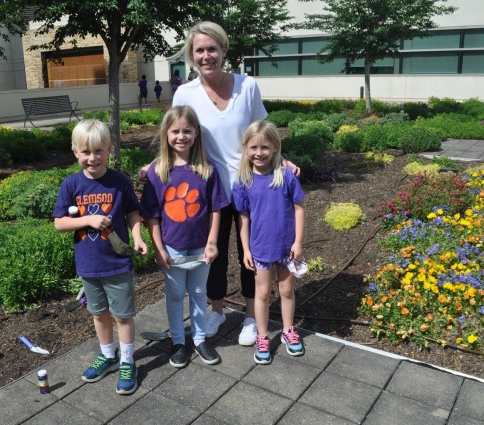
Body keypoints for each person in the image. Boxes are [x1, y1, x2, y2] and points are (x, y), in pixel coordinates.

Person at [169, 21, 299, 346]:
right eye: (199, 50)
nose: (206, 55)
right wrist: (157, 168)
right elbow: (176, 138)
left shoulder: (247, 86)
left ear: (224, 50)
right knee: (212, 255)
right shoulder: (184, 93)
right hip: (207, 189)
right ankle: (216, 310)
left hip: (251, 186)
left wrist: (281, 160)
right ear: (191, 54)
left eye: (212, 49)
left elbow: (263, 132)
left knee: (251, 253)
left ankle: (252, 317)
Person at [53, 119, 148, 395]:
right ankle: (108, 355)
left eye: (98, 151)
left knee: (123, 316)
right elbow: (60, 223)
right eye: (85, 152)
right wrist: (89, 219)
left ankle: (128, 361)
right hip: (89, 263)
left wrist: (139, 237)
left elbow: (133, 211)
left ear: (109, 149)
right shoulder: (71, 185)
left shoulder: (119, 181)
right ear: (75, 152)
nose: (92, 158)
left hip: (117, 262)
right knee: (99, 314)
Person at [140, 106, 229, 368]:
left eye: (187, 131)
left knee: (200, 293)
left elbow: (215, 209)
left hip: (201, 247)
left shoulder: (206, 169)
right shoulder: (158, 171)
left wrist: (212, 242)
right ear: (166, 134)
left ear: (196, 133)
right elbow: (152, 215)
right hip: (172, 247)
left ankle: (200, 339)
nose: (181, 136)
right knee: (176, 295)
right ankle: (178, 342)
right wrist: (159, 248)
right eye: (175, 131)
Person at [232, 120, 306, 364]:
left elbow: (299, 209)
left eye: (265, 147)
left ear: (276, 147)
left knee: (286, 289)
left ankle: (288, 330)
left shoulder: (285, 176)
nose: (259, 153)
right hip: (260, 248)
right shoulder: (242, 181)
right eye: (253, 147)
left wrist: (298, 242)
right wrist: (245, 249)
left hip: (286, 247)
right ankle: (263, 336)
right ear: (245, 147)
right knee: (262, 293)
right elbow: (242, 218)